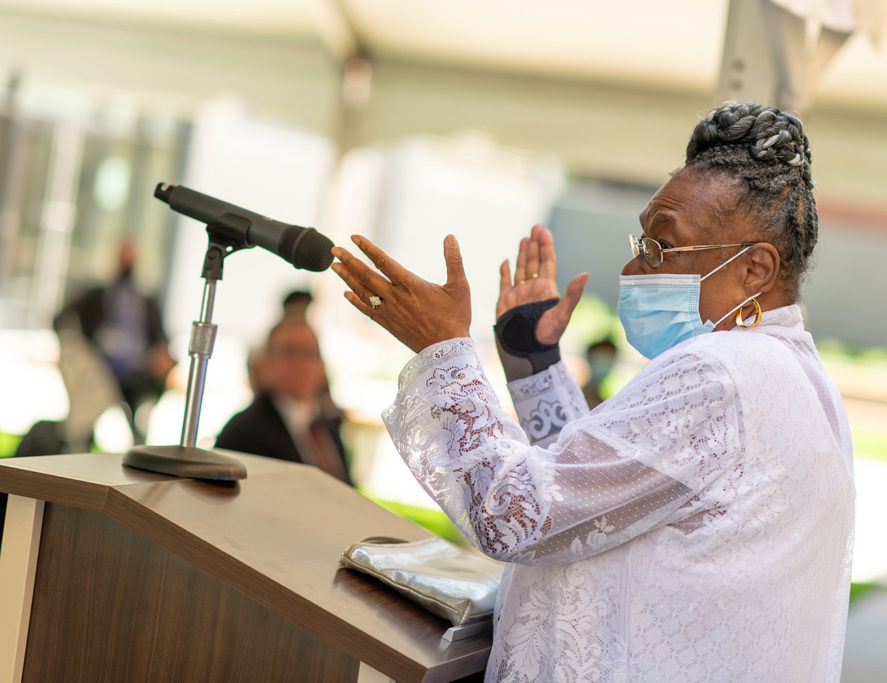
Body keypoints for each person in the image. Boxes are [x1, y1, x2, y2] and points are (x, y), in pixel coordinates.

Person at [330, 102, 853, 681]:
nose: (632, 270)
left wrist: (444, 349)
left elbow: (515, 514)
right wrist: (534, 361)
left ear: (754, 270)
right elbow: (599, 499)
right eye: (640, 243)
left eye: (660, 249)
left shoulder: (721, 373)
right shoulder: (796, 376)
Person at [215, 317, 351, 484]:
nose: (300, 364)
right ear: (266, 363)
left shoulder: (327, 425)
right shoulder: (244, 429)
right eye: (289, 352)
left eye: (310, 353)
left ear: (322, 365)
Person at [54, 239, 175, 424]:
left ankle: (139, 434)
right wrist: (75, 350)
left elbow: (161, 337)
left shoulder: (146, 301)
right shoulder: (97, 295)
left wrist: (161, 353)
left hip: (138, 371)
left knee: (141, 413)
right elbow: (61, 319)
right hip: (98, 368)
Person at [581, 336, 618, 409]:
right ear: (590, 359)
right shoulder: (577, 397)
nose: (603, 365)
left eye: (608, 361)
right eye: (600, 360)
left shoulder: (604, 401)